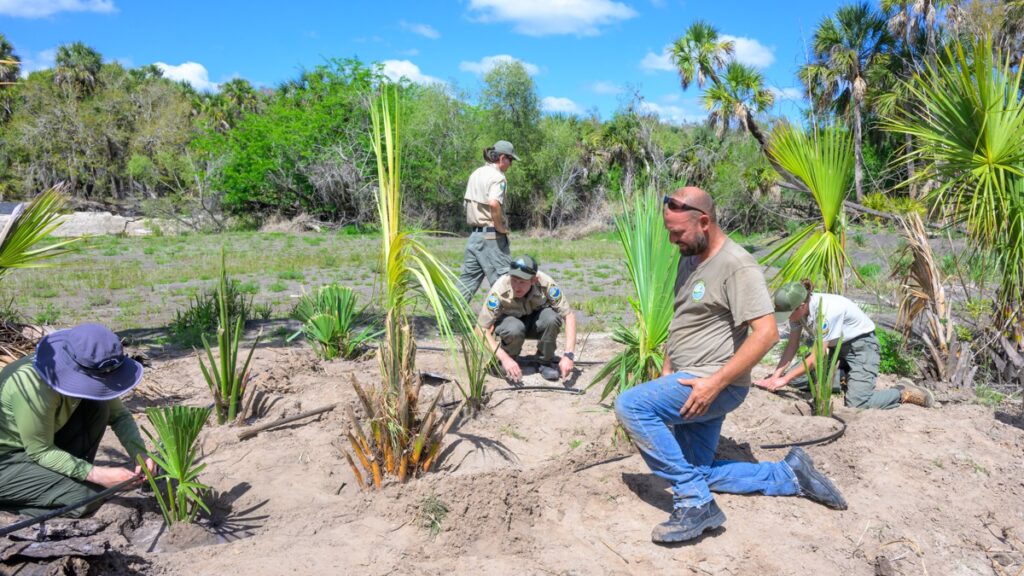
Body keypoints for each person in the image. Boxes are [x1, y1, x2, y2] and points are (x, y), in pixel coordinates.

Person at [615, 187, 847, 545]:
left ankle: (694, 503)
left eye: (678, 233)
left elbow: (766, 333)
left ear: (704, 222)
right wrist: (666, 368)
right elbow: (683, 319)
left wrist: (714, 383)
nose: (672, 240)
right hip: (687, 379)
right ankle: (789, 475)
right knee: (699, 470)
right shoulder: (690, 257)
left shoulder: (737, 266)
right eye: (669, 232)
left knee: (631, 405)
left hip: (712, 383)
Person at [0, 323, 154, 518]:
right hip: (9, 461)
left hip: (43, 446)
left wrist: (139, 453)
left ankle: (64, 482)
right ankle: (12, 504)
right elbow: (40, 450)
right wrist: (98, 474)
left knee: (99, 404)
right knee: (87, 498)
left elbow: (119, 415)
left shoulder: (92, 367)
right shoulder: (31, 385)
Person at [754, 281, 935, 408]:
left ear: (801, 305)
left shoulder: (826, 311)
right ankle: (845, 375)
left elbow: (817, 356)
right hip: (836, 350)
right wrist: (776, 376)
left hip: (861, 346)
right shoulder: (798, 313)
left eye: (788, 313)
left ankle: (901, 391)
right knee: (798, 380)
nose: (787, 318)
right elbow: (792, 346)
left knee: (858, 402)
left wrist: (783, 380)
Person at [477, 255, 577, 382]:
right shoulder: (499, 289)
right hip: (510, 325)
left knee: (552, 318)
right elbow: (480, 329)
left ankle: (544, 362)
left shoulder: (545, 283)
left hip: (535, 322)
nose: (516, 286)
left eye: (522, 282)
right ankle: (507, 360)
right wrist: (504, 359)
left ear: (534, 280)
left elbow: (569, 315)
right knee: (515, 328)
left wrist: (568, 355)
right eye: (514, 280)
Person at [458, 140, 518, 303]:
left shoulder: (476, 173)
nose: (510, 164)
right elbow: (493, 203)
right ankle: (509, 324)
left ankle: (447, 322)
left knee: (467, 282)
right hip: (491, 235)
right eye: (510, 160)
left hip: (475, 237)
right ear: (502, 158)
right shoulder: (498, 178)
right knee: (504, 281)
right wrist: (500, 228)